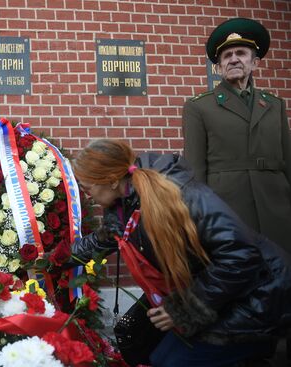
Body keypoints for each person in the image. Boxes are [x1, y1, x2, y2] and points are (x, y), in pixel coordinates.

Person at [70, 139, 291, 366]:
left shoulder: (184, 195)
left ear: (112, 181)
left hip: (259, 295)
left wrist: (185, 308)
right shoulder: (124, 204)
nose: (87, 196)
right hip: (218, 291)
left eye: (87, 189)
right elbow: (100, 241)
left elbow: (240, 255)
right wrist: (49, 260)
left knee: (171, 362)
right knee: (143, 345)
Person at [182, 17, 291, 254]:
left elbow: (287, 159)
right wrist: (199, 219)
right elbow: (195, 169)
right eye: (226, 56)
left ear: (255, 62)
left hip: (277, 209)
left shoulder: (274, 104)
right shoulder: (199, 107)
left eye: (241, 53)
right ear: (219, 66)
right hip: (228, 211)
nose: (233, 59)